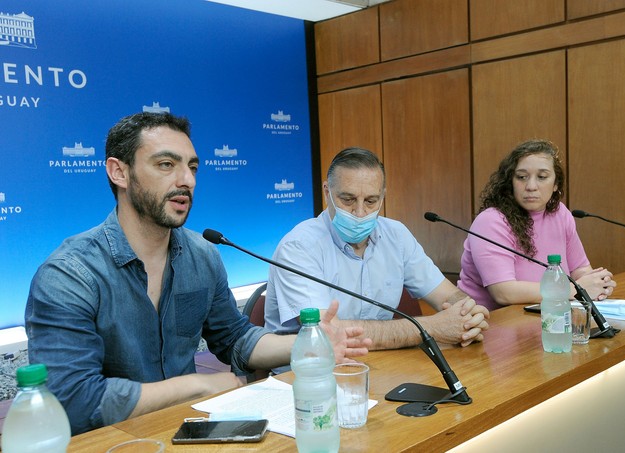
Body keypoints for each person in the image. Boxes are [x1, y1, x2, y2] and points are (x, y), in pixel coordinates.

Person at [24, 112, 371, 435]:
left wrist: (308, 345)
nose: (186, 180)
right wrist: (198, 385)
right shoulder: (69, 275)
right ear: (119, 172)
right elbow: (72, 400)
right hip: (110, 441)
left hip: (186, 431)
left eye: (192, 167)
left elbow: (235, 338)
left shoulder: (202, 255)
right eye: (165, 165)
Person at [264, 147, 490, 352]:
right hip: (310, 372)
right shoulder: (298, 247)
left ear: (383, 196)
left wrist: (469, 314)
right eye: (348, 199)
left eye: (371, 201)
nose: (360, 212)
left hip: (381, 364)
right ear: (327, 191)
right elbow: (327, 334)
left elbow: (449, 296)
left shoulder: (396, 234)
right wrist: (431, 327)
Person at [458, 139, 617, 311]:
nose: (531, 186)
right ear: (510, 182)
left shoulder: (560, 213)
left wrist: (597, 284)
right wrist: (577, 290)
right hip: (489, 324)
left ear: (556, 184)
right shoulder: (490, 221)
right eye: (521, 177)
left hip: (545, 316)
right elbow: (504, 293)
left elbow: (580, 269)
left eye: (542, 177)